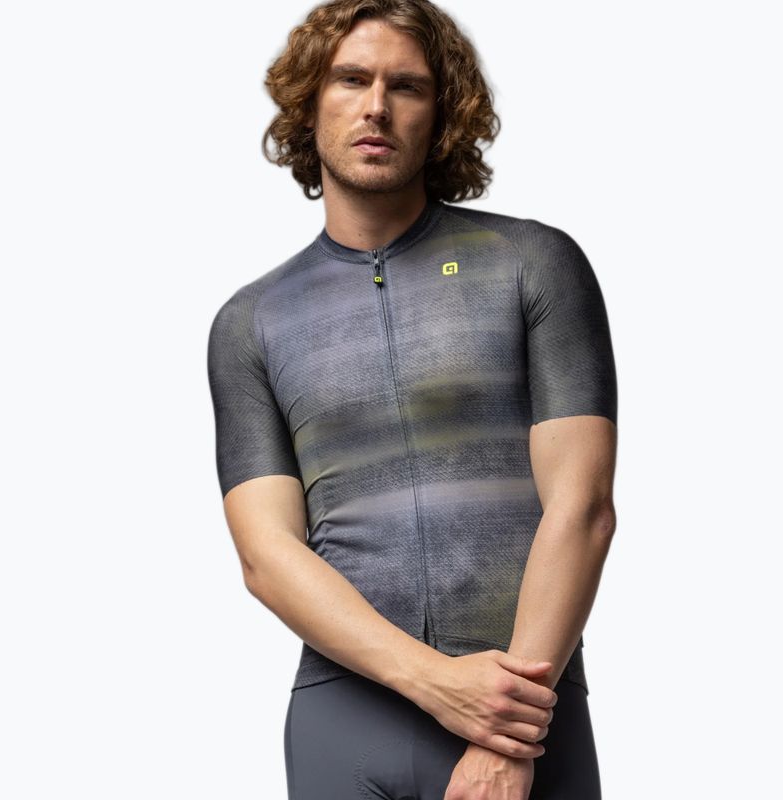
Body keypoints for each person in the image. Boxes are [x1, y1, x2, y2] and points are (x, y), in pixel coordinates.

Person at [206, 0, 618, 797]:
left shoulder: (531, 262)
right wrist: (437, 683)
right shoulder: (251, 322)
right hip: (346, 715)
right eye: (350, 79)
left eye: (407, 86)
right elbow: (266, 555)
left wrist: (507, 736)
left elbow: (583, 508)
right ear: (308, 104)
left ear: (443, 113)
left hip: (524, 699)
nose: (376, 106)